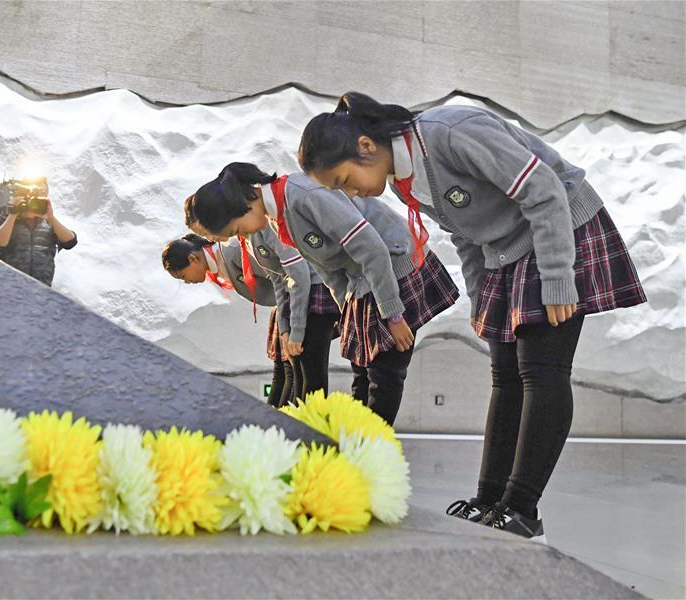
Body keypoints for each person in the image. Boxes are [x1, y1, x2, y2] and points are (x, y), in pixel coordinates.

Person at [297, 91, 647, 541]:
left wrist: (560, 277)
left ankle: (521, 508)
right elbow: (467, 235)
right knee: (505, 373)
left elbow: (544, 191)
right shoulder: (407, 178)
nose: (352, 193)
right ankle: (489, 500)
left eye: (346, 180)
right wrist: (482, 301)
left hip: (560, 230)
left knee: (542, 370)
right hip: (509, 250)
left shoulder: (449, 133)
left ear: (366, 146)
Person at [184, 163, 458, 425]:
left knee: (384, 375)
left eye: (236, 229)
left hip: (393, 269)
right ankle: (353, 453)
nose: (242, 234)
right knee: (362, 371)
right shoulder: (279, 215)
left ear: (243, 203)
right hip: (362, 280)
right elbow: (326, 268)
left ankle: (370, 454)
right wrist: (347, 306)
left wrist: (394, 316)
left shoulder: (303, 196)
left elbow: (373, 249)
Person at [161, 233, 293, 407]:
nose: (187, 282)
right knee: (282, 370)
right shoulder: (221, 262)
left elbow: (284, 276)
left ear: (193, 259)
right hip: (283, 306)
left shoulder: (233, 252)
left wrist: (287, 325)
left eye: (183, 276)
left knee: (292, 371)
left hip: (293, 302)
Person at [0, 178, 77, 287]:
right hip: (10, 287)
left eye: (43, 193)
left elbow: (70, 241)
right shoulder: (6, 217)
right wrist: (13, 214)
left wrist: (51, 218)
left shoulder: (48, 222)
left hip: (42, 289)